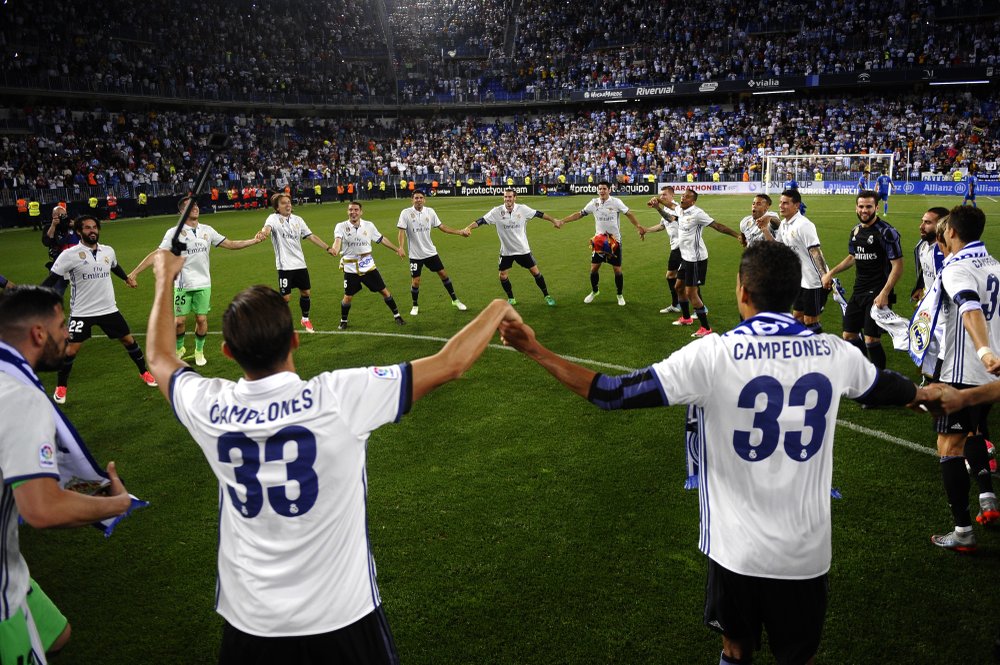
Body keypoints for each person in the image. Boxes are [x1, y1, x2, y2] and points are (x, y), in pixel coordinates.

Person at [498, 240, 926, 665]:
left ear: (741, 290)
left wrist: (534, 349)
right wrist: (929, 393)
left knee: (734, 650)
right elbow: (888, 387)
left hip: (735, 551)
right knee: (799, 657)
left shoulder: (713, 355)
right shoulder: (834, 352)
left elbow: (611, 393)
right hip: (805, 553)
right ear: (796, 293)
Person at [144, 249, 521, 665]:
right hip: (344, 618)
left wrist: (165, 278)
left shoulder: (208, 407)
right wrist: (498, 307)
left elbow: (161, 358)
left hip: (251, 624)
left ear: (229, 352)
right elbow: (451, 363)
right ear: (294, 340)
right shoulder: (338, 397)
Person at [0, 285, 133, 665]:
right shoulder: (20, 397)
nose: (68, 335)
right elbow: (41, 509)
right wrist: (116, 504)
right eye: (62, 326)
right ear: (38, 334)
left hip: (11, 563)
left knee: (57, 635)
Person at [915, 206, 1000, 551]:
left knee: (949, 447)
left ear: (950, 233)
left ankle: (962, 531)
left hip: (963, 373)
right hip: (990, 379)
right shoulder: (993, 264)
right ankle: (988, 499)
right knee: (975, 431)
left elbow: (969, 308)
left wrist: (982, 350)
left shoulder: (956, 268)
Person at [129, 196, 264, 367]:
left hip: (203, 283)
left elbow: (230, 244)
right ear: (181, 211)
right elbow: (158, 254)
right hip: (182, 284)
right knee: (179, 322)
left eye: (196, 205)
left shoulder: (207, 230)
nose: (195, 208)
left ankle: (199, 351)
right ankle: (180, 349)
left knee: (201, 319)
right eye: (189, 206)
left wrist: (254, 240)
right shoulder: (174, 232)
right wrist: (134, 273)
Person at [39, 216, 157, 403]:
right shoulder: (69, 255)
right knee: (70, 351)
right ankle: (61, 387)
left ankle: (145, 372)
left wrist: (127, 278)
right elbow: (52, 279)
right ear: (79, 231)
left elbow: (115, 267)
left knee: (129, 341)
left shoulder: (108, 251)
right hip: (82, 312)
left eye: (94, 227)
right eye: (87, 228)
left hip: (108, 309)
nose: (92, 230)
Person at [641, 189, 744, 338]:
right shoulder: (679, 210)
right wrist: (657, 202)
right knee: (678, 287)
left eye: (686, 197)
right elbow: (669, 207)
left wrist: (736, 235)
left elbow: (717, 226)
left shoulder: (697, 213)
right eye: (682, 196)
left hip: (697, 259)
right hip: (686, 257)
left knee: (691, 292)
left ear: (693, 201)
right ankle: (686, 318)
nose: (682, 198)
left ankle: (705, 327)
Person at [821, 191, 903, 370]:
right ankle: (866, 370)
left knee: (871, 339)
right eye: (861, 206)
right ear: (856, 208)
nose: (864, 210)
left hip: (878, 292)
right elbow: (852, 257)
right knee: (849, 335)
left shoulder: (887, 232)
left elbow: (897, 266)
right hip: (859, 290)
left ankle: (880, 379)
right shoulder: (855, 231)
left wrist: (885, 293)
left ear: (876, 208)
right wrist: (831, 273)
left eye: (868, 207)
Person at [464, 189, 559, 307]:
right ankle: (511, 298)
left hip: (522, 249)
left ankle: (547, 295)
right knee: (502, 275)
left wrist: (553, 220)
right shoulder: (497, 211)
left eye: (510, 197)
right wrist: (469, 227)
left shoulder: (523, 209)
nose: (507, 199)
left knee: (535, 272)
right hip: (506, 251)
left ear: (515, 198)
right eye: (505, 197)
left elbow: (539, 214)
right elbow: (482, 220)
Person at [258, 193, 336, 334]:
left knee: (306, 292)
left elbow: (311, 236)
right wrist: (263, 233)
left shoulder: (298, 220)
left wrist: (328, 248)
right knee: (285, 297)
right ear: (277, 207)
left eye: (289, 202)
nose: (288, 205)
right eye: (283, 203)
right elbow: (267, 229)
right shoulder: (273, 218)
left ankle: (305, 319)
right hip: (285, 265)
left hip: (300, 264)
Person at [557, 180, 642, 306]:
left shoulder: (616, 202)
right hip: (599, 242)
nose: (602, 191)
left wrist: (638, 226)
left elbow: (629, 214)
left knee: (617, 270)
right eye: (600, 189)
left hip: (614, 241)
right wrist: (563, 221)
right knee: (594, 269)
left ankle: (619, 295)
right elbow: (580, 214)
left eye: (604, 189)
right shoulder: (594, 202)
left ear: (609, 190)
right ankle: (594, 291)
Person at [762, 189, 831, 333]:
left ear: (796, 205)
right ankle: (802, 351)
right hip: (799, 280)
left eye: (785, 203)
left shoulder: (804, 225)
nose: (781, 206)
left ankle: (821, 352)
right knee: (797, 317)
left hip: (814, 281)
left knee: (810, 322)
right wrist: (765, 230)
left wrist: (825, 275)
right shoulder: (784, 225)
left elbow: (815, 251)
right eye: (780, 202)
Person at [331, 200, 407, 329]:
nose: (353, 212)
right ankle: (344, 320)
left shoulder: (369, 225)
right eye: (350, 210)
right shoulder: (341, 226)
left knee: (384, 291)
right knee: (348, 297)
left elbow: (381, 239)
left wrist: (397, 249)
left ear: (361, 212)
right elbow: (337, 241)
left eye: (356, 210)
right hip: (350, 267)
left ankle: (397, 315)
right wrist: (335, 249)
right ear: (347, 212)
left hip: (367, 265)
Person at [396, 190, 470, 316]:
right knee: (416, 281)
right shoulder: (406, 213)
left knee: (443, 275)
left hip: (431, 252)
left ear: (424, 200)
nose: (418, 200)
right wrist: (401, 247)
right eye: (416, 198)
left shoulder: (430, 212)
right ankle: (415, 305)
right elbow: (401, 231)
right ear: (412, 200)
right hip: (415, 255)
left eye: (420, 198)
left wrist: (459, 232)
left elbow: (442, 227)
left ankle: (455, 300)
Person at [645, 185, 683, 314]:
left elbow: (670, 218)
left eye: (664, 195)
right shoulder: (667, 208)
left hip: (682, 246)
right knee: (677, 276)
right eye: (661, 195)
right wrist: (646, 230)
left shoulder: (677, 208)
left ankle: (682, 305)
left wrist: (657, 208)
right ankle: (678, 304)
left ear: (672, 195)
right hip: (676, 246)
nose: (662, 197)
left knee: (674, 276)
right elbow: (662, 225)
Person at [41, 205, 78, 297]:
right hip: (60, 262)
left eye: (65, 215)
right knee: (58, 288)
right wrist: (53, 225)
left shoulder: (72, 225)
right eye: (61, 215)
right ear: (54, 216)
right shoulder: (49, 227)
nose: (64, 217)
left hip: (77, 261)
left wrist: (77, 225)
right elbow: (47, 241)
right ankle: (52, 307)